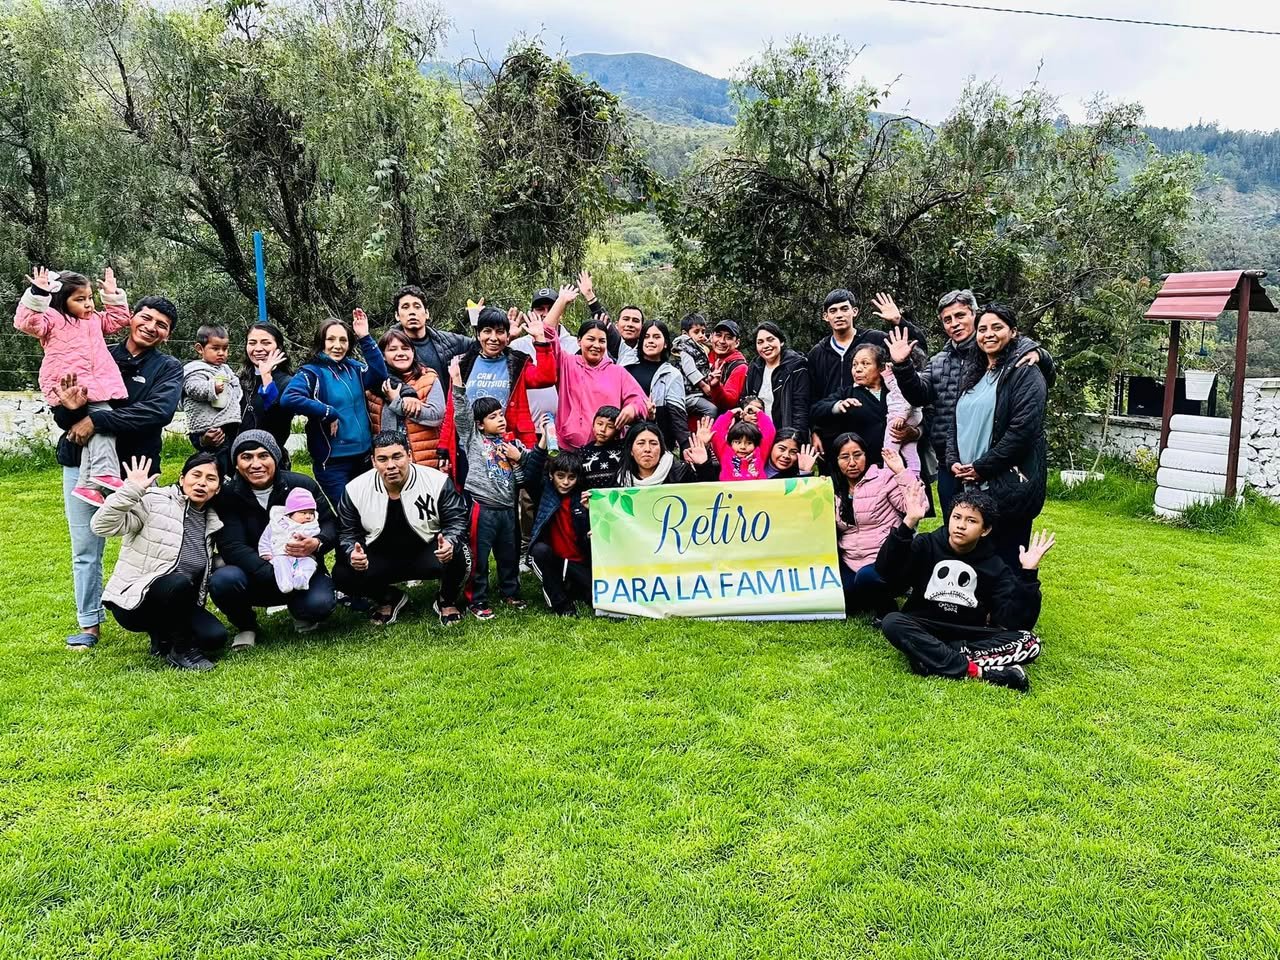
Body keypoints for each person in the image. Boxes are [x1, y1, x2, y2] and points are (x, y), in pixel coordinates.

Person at [51, 294, 183, 650]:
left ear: (167, 335)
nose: (151, 327)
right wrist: (71, 411)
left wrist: (97, 418)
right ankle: (89, 623)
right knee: (85, 547)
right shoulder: (96, 349)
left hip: (135, 469)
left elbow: (157, 413)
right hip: (80, 463)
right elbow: (65, 413)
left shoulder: (168, 368)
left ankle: (153, 619)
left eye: (161, 325)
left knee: (149, 546)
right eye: (146, 317)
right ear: (131, 318)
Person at [887, 290, 1054, 518]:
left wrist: (1041, 354)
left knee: (992, 531)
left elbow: (1026, 354)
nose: (955, 324)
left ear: (974, 315)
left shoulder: (1008, 354)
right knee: (955, 533)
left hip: (995, 462)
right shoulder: (939, 362)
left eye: (960, 316)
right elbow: (920, 395)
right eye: (948, 320)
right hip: (951, 463)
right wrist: (902, 365)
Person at [876, 487, 1054, 692]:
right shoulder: (926, 544)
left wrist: (1028, 574)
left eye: (971, 521)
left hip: (968, 635)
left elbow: (1016, 622)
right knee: (892, 621)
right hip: (924, 625)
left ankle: (930, 657)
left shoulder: (995, 565)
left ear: (985, 530)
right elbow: (886, 573)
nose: (961, 525)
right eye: (956, 517)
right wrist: (907, 524)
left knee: (1029, 641)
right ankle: (977, 671)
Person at [91, 453, 227, 671]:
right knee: (177, 582)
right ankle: (181, 651)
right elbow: (101, 526)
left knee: (214, 638)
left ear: (218, 488)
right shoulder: (154, 500)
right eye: (196, 475)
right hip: (136, 601)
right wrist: (131, 491)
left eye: (211, 479)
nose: (202, 482)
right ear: (182, 479)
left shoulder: (213, 521)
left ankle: (163, 637)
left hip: (179, 603)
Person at [16, 265, 131, 507]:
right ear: (62, 300)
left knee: (97, 430)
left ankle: (87, 486)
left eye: (90, 298)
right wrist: (38, 293)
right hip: (69, 388)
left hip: (96, 386)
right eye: (80, 299)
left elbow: (119, 319)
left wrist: (111, 294)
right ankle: (104, 472)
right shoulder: (52, 320)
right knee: (105, 422)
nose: (88, 304)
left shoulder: (94, 321)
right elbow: (27, 322)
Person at [208, 431, 336, 648]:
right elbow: (232, 546)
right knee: (223, 580)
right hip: (254, 575)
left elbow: (330, 524)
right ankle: (246, 626)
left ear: (275, 457)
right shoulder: (228, 495)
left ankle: (302, 611)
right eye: (246, 457)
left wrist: (318, 543)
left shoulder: (301, 485)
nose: (256, 464)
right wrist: (276, 571)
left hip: (300, 570)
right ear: (236, 464)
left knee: (319, 604)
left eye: (263, 455)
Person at [944, 303, 1049, 569]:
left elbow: (1022, 431)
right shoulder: (975, 373)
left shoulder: (1025, 371)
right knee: (973, 560)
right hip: (969, 482)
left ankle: (1009, 609)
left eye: (997, 327)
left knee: (1005, 560)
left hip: (1004, 482)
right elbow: (955, 423)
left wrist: (982, 468)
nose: (988, 334)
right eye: (982, 329)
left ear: (1014, 332)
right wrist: (952, 459)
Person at [333, 431, 470, 626]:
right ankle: (389, 598)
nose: (391, 465)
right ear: (373, 461)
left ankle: (446, 600)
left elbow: (456, 520)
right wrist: (351, 554)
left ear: (410, 456)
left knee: (460, 552)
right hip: (380, 555)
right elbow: (347, 533)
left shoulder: (436, 481)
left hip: (427, 551)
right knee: (342, 573)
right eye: (382, 459)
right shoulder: (355, 489)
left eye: (397, 456)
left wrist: (450, 541)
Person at [280, 309, 389, 507]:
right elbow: (289, 398)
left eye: (343, 340)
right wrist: (328, 412)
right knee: (348, 515)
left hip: (364, 457)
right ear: (321, 342)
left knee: (372, 511)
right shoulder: (311, 373)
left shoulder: (354, 368)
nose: (337, 346)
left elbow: (380, 375)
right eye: (331, 340)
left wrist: (365, 337)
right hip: (333, 463)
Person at [448, 357, 529, 620]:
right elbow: (461, 413)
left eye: (501, 414)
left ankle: (511, 591)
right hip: (482, 508)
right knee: (479, 556)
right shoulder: (473, 438)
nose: (501, 420)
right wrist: (457, 383)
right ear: (481, 423)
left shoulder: (512, 442)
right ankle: (476, 598)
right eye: (493, 417)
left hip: (507, 508)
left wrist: (519, 456)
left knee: (509, 554)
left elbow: (529, 464)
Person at [436, 306, 554, 480]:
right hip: (468, 449)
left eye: (500, 332)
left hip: (506, 448)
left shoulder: (517, 363)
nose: (493, 338)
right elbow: (452, 409)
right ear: (478, 335)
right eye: (487, 331)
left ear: (507, 337)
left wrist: (540, 339)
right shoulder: (462, 364)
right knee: (471, 501)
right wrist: (444, 450)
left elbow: (546, 377)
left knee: (507, 500)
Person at [538, 287, 647, 450]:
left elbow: (641, 401)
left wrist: (632, 409)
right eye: (591, 339)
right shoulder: (566, 363)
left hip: (609, 451)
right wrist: (561, 301)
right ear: (579, 341)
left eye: (602, 341)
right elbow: (546, 333)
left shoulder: (617, 372)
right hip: (568, 450)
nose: (596, 345)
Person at [828, 434, 917, 617]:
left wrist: (901, 472)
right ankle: (867, 594)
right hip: (851, 559)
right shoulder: (831, 487)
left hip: (886, 559)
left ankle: (887, 610)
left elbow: (916, 506)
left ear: (866, 455)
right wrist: (805, 473)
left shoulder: (884, 479)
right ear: (836, 460)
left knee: (866, 579)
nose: (852, 462)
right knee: (845, 598)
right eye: (845, 457)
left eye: (857, 455)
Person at [806, 288, 889, 454]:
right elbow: (813, 397)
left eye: (844, 309)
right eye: (833, 311)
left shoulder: (876, 340)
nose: (839, 315)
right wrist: (814, 431)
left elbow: (914, 354)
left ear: (854, 311)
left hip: (872, 431)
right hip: (831, 436)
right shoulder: (817, 353)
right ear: (825, 316)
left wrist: (898, 321)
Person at [524, 434, 592, 616]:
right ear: (551, 476)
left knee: (594, 596)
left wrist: (587, 514)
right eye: (560, 476)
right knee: (539, 550)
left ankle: (571, 586)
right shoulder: (546, 493)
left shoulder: (582, 499)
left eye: (571, 477)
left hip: (577, 562)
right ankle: (561, 604)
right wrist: (543, 442)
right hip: (553, 559)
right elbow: (530, 475)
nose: (565, 482)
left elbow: (587, 540)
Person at [366, 327, 446, 468]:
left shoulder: (428, 378)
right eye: (392, 349)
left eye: (405, 348)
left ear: (413, 352)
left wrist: (397, 403)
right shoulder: (374, 386)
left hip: (424, 462)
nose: (400, 353)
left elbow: (436, 416)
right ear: (382, 355)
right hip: (389, 465)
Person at [812, 342, 894, 462]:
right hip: (861, 464)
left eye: (865, 364)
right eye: (854, 365)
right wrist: (838, 406)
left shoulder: (893, 391)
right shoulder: (847, 393)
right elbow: (816, 410)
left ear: (881, 368)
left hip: (894, 461)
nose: (858, 369)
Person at [182, 323, 243, 464]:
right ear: (199, 348)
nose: (221, 353)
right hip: (207, 426)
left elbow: (235, 386)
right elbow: (192, 388)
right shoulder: (195, 369)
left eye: (225, 348)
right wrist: (211, 387)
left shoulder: (226, 370)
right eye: (215, 348)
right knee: (214, 459)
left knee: (231, 458)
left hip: (228, 423)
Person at [625, 320, 690, 451]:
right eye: (646, 337)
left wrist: (685, 446)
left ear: (666, 343)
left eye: (656, 337)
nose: (650, 341)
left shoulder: (671, 374)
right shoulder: (626, 369)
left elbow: (677, 415)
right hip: (625, 441)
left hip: (657, 444)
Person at [391, 284, 473, 386]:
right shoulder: (388, 348)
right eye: (405, 307)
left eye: (417, 307)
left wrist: (478, 321)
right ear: (397, 315)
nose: (412, 312)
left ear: (427, 313)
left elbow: (480, 346)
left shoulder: (447, 341)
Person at [237, 322, 295, 459]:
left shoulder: (288, 383)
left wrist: (266, 376)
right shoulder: (237, 380)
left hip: (270, 460)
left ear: (279, 347)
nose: (258, 349)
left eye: (266, 343)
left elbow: (277, 421)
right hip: (236, 458)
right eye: (252, 343)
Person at [745, 321, 811, 434]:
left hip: (785, 435)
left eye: (770, 339)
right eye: (760, 342)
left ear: (781, 342)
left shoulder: (796, 367)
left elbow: (801, 409)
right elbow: (745, 398)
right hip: (759, 435)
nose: (766, 345)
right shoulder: (754, 368)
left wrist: (795, 438)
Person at [616, 422, 717, 486]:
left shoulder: (679, 473)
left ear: (661, 449)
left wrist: (703, 465)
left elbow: (706, 493)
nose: (647, 449)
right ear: (631, 450)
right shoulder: (621, 479)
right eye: (641, 443)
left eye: (653, 443)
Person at [672, 312, 717, 422]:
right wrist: (704, 386)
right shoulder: (685, 349)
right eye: (696, 332)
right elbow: (690, 370)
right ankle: (704, 433)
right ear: (685, 333)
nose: (701, 335)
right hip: (688, 394)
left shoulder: (697, 348)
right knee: (712, 409)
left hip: (695, 393)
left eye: (703, 331)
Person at [709, 407, 776, 481]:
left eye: (749, 443)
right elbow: (716, 433)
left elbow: (769, 432)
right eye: (738, 442)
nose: (743, 447)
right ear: (731, 442)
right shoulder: (724, 453)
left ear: (755, 444)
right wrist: (730, 413)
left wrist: (758, 412)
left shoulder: (760, 454)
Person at [698, 319, 749, 413]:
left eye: (728, 337)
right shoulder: (704, 355)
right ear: (712, 336)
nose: (722, 341)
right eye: (718, 335)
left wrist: (716, 386)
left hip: (717, 423)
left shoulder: (739, 367)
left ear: (737, 343)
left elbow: (729, 403)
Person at [578, 406, 626, 489]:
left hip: (618, 497)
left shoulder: (622, 447)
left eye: (610, 426)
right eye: (599, 424)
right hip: (595, 499)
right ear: (593, 425)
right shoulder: (583, 451)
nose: (603, 429)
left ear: (617, 430)